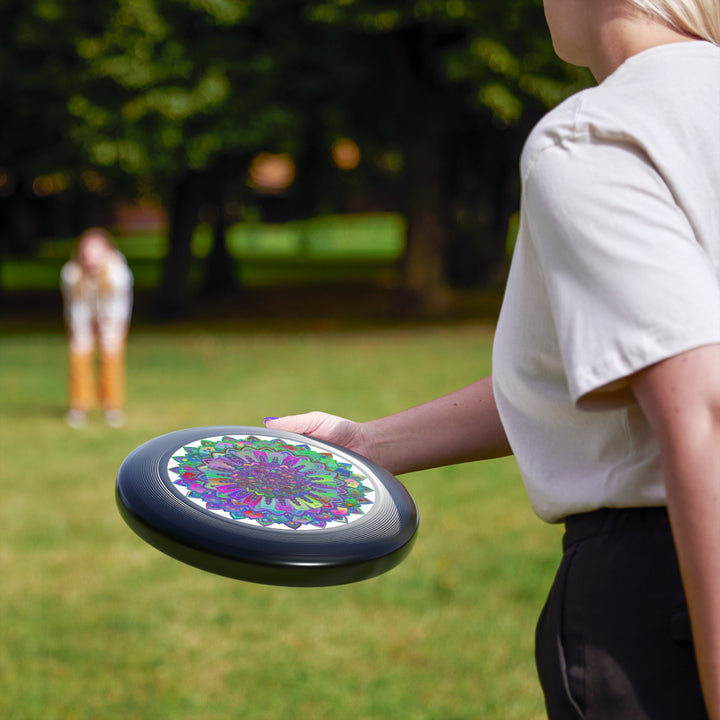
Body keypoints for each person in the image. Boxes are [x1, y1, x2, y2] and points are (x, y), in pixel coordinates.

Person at [264, 1, 720, 717]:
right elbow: (611, 370)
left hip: (669, 595)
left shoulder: (600, 135)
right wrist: (368, 444)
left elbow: (702, 408)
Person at [60, 227, 133, 428]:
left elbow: (118, 306)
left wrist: (106, 326)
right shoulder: (71, 273)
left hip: (112, 319)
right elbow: (76, 306)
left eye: (96, 251)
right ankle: (79, 406)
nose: (91, 257)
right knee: (79, 354)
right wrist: (84, 329)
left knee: (111, 357)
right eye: (87, 251)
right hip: (82, 319)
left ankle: (112, 407)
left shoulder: (118, 273)